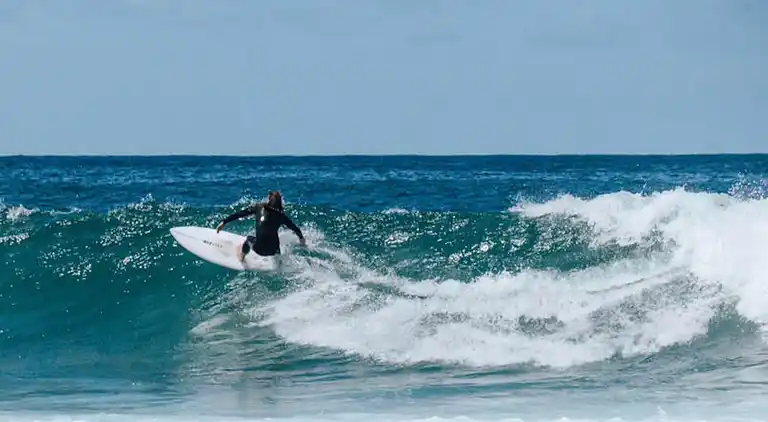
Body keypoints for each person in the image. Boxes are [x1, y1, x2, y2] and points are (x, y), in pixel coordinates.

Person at [216, 190, 306, 262]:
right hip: (273, 250)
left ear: (269, 199)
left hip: (259, 249)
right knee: (275, 242)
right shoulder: (281, 216)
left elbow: (241, 213)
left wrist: (224, 222)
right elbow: (295, 228)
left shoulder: (259, 207)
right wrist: (302, 240)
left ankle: (242, 257)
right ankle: (279, 264)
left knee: (248, 240)